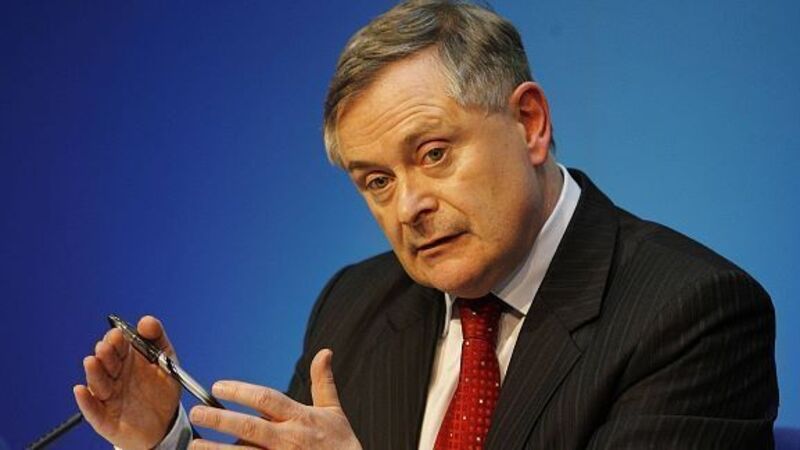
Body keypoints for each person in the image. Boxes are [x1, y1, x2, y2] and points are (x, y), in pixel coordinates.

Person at [74, 1, 779, 449]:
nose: (408, 205)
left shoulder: (690, 313)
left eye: (433, 154)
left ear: (529, 123)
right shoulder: (355, 304)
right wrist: (165, 439)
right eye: (377, 181)